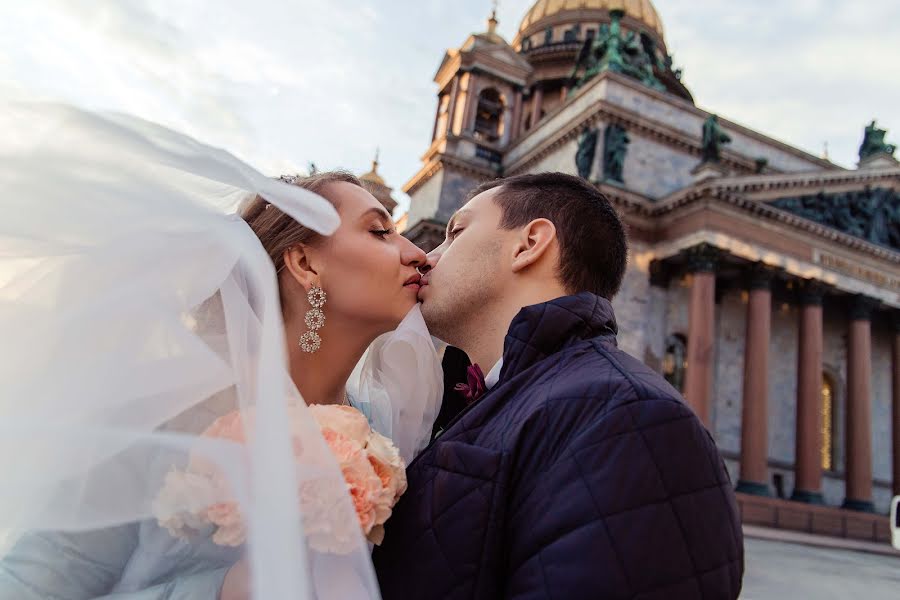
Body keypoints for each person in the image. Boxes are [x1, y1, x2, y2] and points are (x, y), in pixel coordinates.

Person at [0, 105, 440, 600]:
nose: (419, 254)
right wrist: (220, 591)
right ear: (304, 264)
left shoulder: (384, 435)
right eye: (380, 231)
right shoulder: (161, 412)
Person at [373, 172, 744, 599]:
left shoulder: (630, 419)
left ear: (530, 245)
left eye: (455, 233)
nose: (425, 257)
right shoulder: (492, 398)